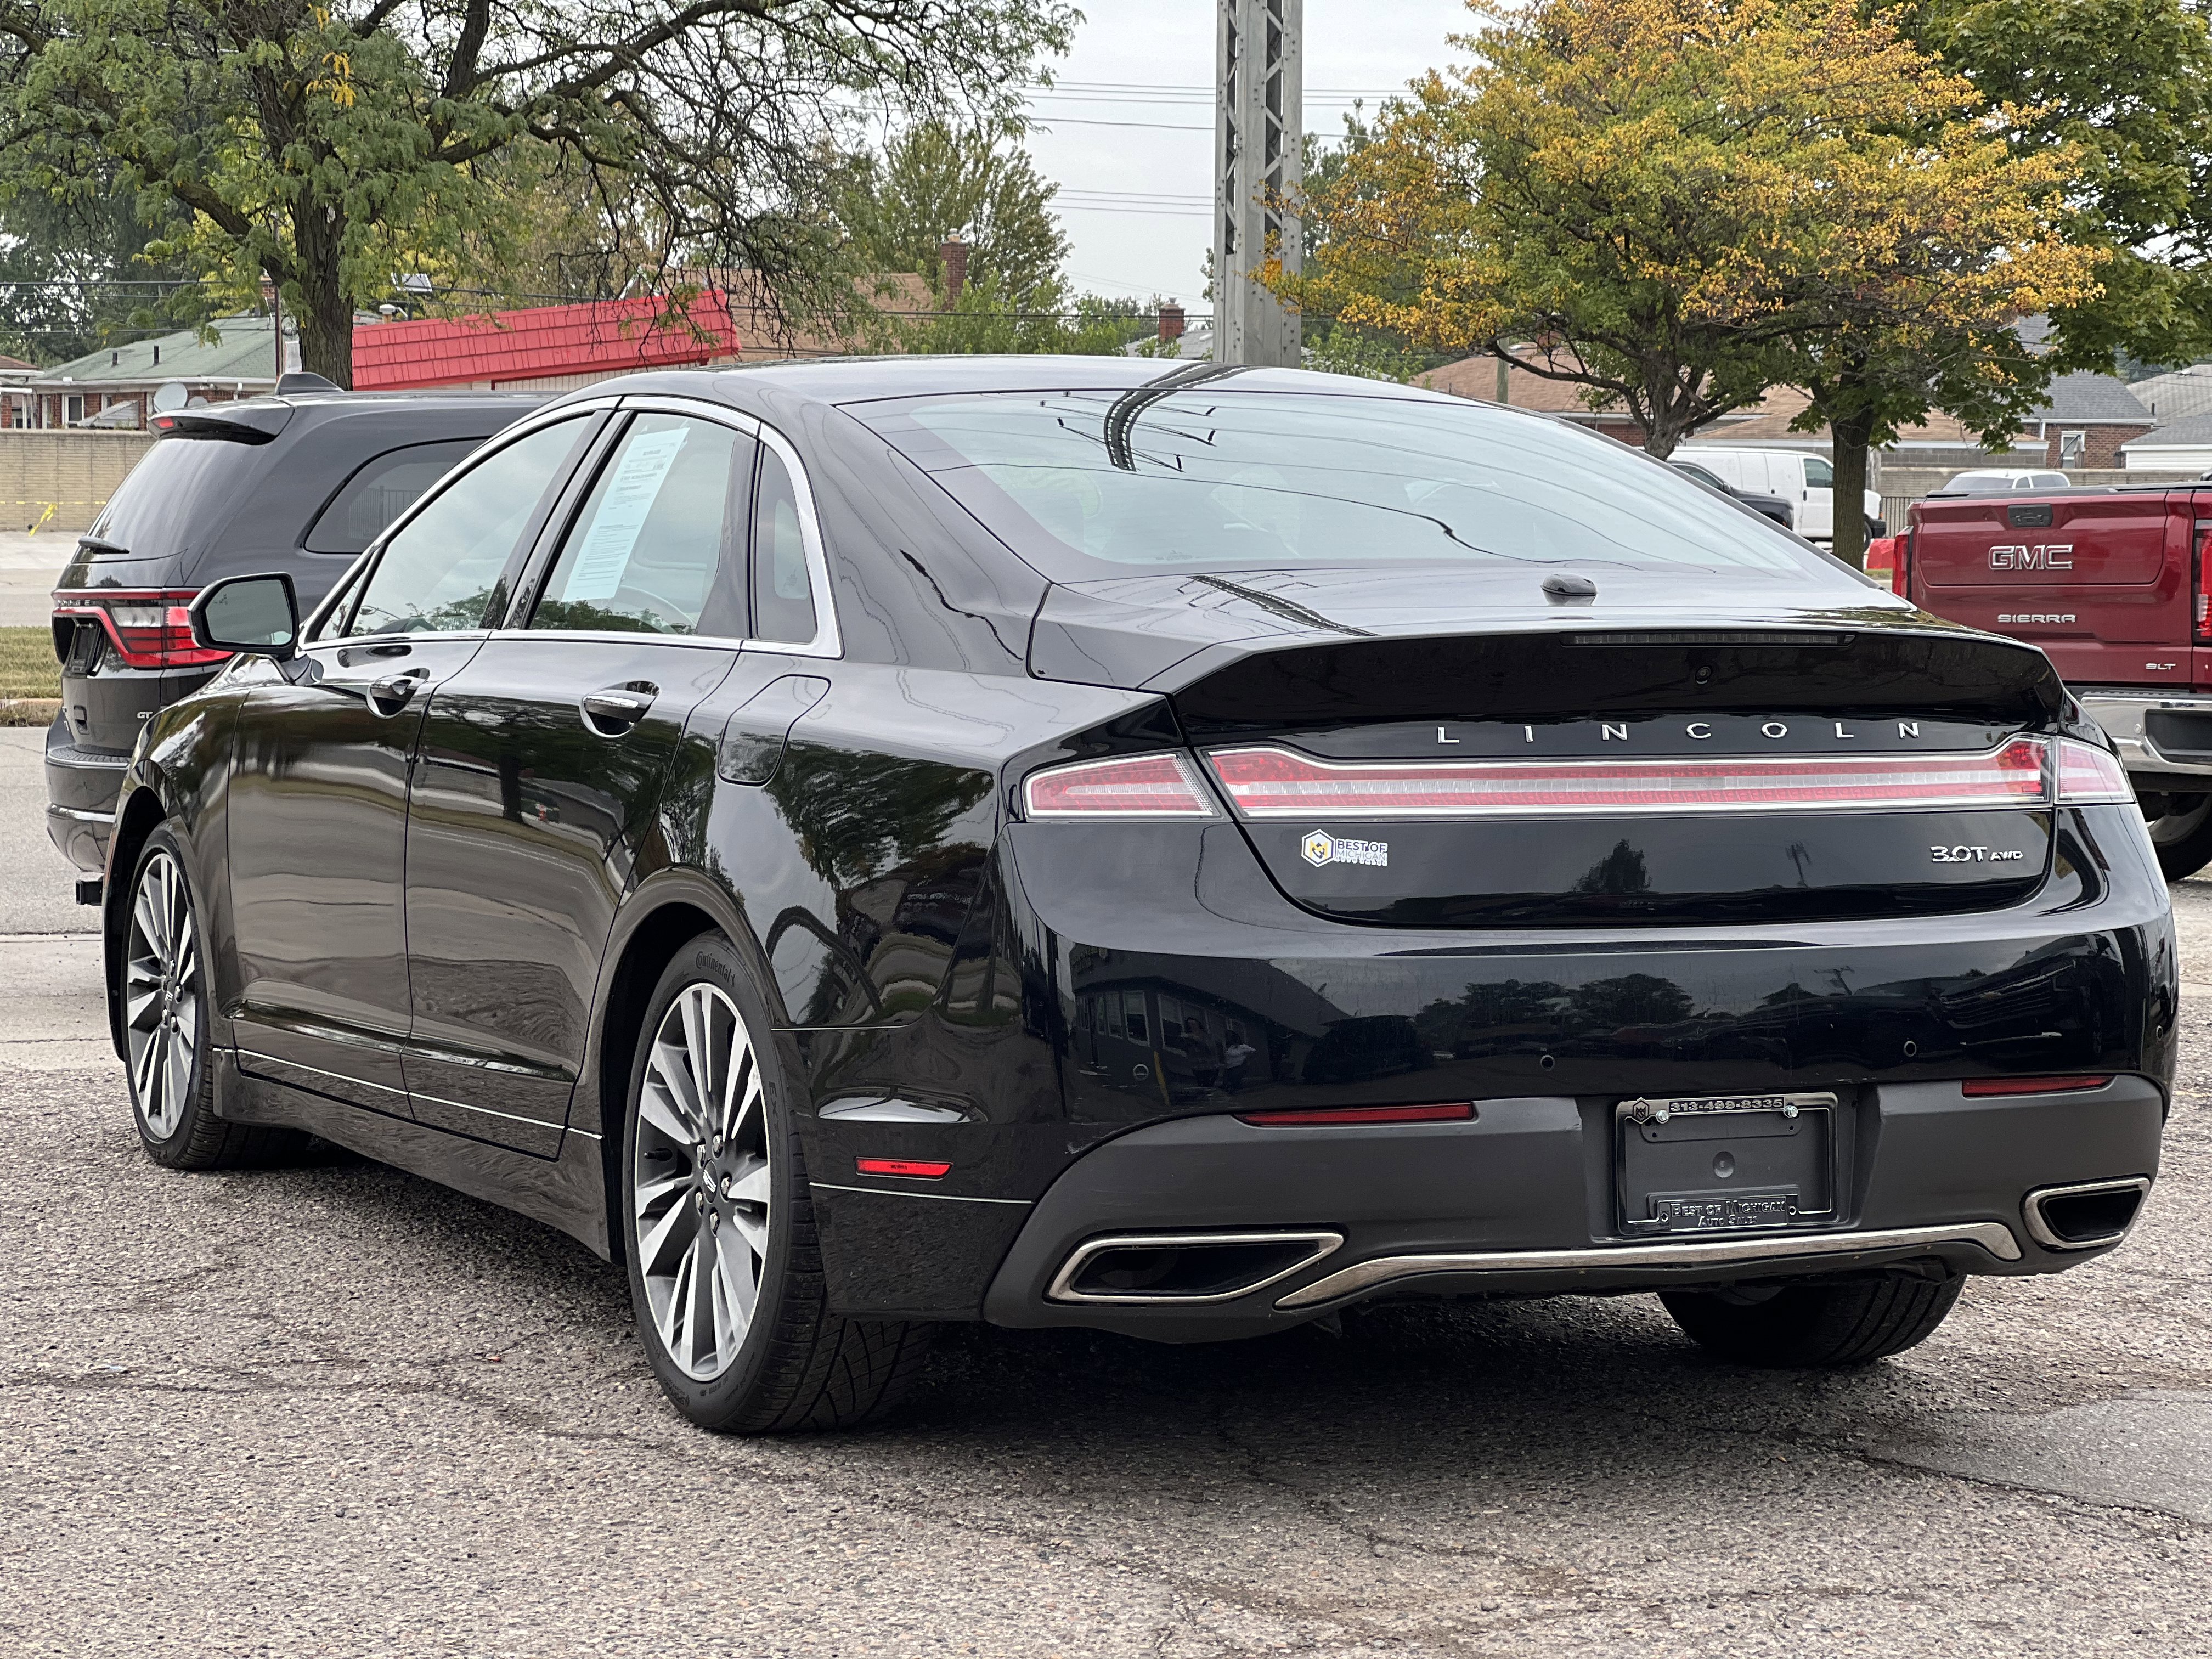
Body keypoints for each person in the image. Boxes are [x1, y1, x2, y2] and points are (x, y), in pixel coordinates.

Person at [1221, 1026, 1256, 1094]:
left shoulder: (1242, 1047)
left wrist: (1246, 1061)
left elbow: (1254, 1052)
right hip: (1229, 1069)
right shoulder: (1229, 1048)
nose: (1227, 1038)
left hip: (1238, 1068)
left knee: (1235, 1084)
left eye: (1229, 1037)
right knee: (1226, 1085)